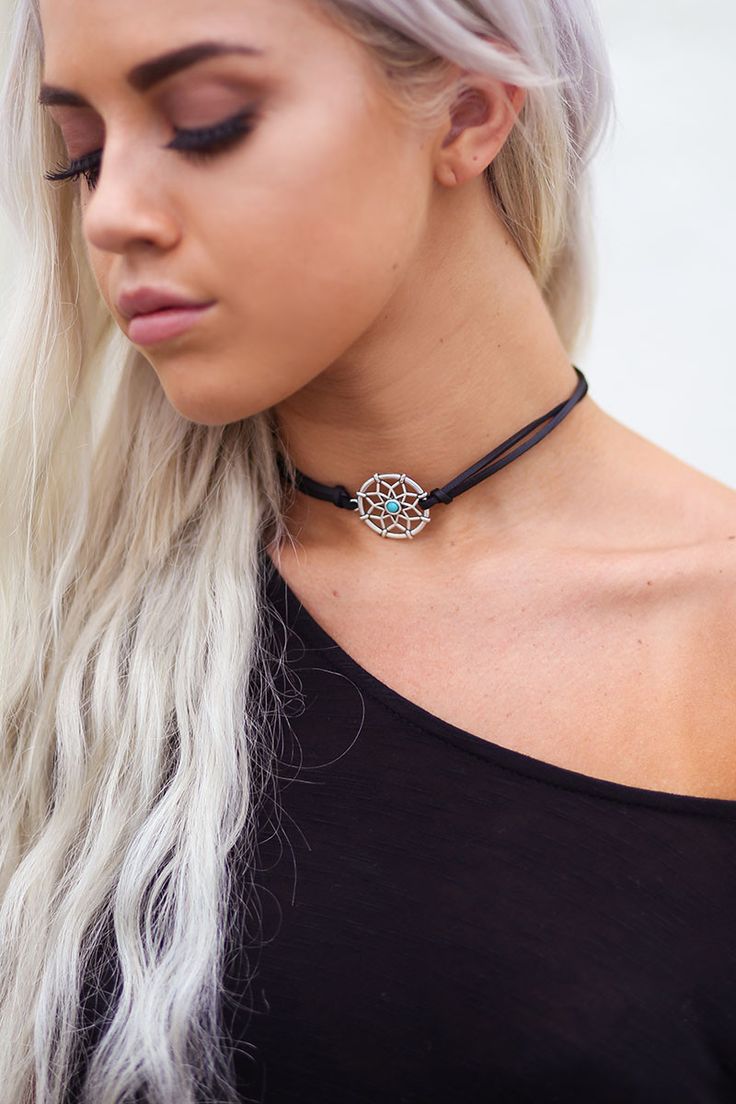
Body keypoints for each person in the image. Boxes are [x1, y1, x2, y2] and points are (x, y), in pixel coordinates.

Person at [0, 0, 734, 1100]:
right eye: (82, 154)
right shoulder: (48, 635)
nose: (111, 215)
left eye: (205, 122)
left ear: (469, 113)